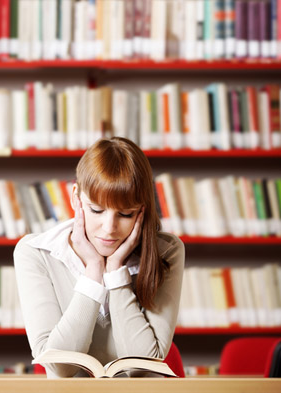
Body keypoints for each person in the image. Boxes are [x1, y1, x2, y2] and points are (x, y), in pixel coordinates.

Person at [13, 137, 185, 378]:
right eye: (96, 210)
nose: (109, 228)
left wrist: (116, 273)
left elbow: (142, 367)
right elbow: (60, 367)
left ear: (142, 210)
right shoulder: (36, 252)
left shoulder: (167, 251)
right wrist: (93, 272)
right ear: (76, 198)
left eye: (125, 214)